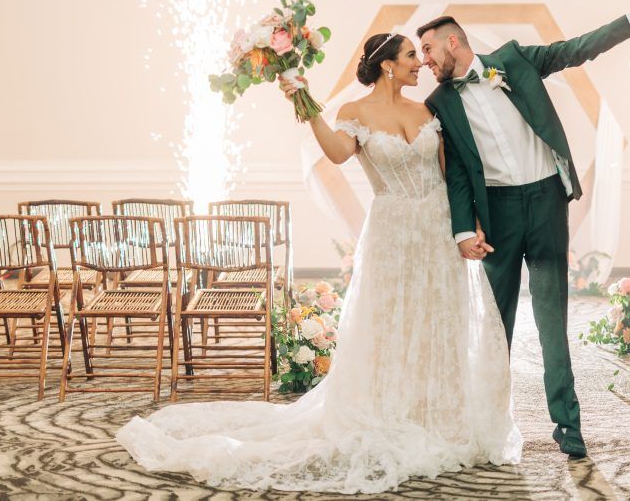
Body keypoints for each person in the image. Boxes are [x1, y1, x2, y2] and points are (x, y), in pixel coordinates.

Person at [116, 33, 522, 494]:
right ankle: (391, 411)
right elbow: (337, 152)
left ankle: (442, 414)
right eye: (411, 55)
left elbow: (453, 174)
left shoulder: (428, 110)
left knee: (439, 320)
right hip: (393, 233)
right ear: (387, 65)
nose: (419, 63)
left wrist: (467, 227)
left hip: (437, 230)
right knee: (391, 323)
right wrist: (303, 100)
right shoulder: (355, 114)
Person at [419, 0, 630, 459]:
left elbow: (578, 48)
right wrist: (462, 230)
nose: (425, 61)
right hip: (498, 216)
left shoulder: (513, 60)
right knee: (497, 327)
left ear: (453, 43)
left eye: (429, 50)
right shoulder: (441, 104)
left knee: (552, 320)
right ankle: (488, 426)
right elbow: (454, 172)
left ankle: (569, 426)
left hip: (547, 201)